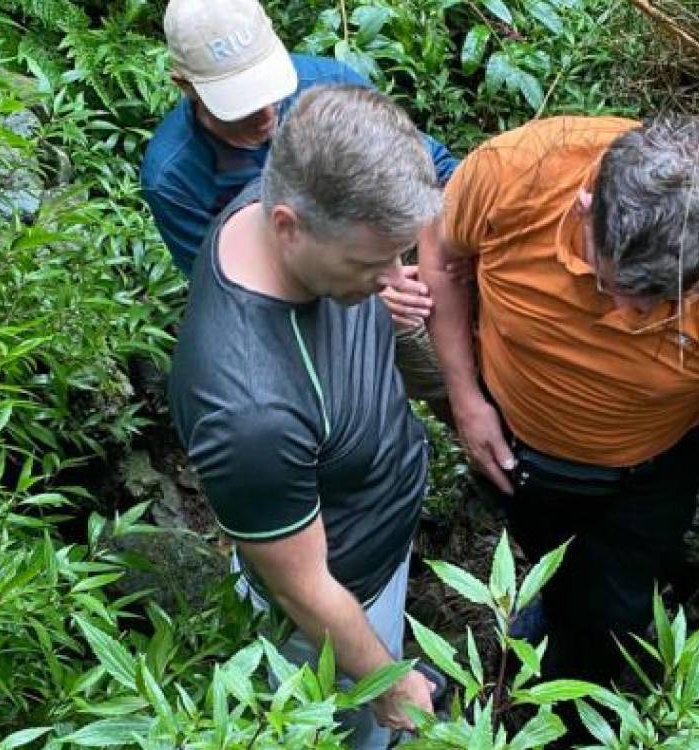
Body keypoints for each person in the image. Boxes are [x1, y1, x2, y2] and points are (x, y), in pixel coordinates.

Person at [421, 115, 699, 706]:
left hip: (647, 477)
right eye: (613, 285)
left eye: (664, 299)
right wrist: (465, 398)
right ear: (585, 207)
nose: (634, 314)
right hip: (513, 443)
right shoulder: (514, 173)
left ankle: (572, 682)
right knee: (545, 558)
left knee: (614, 610)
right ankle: (550, 620)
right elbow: (443, 257)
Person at [169, 85, 441, 749]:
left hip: (372, 542)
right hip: (334, 599)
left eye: (398, 253)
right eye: (370, 263)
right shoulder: (250, 414)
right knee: (358, 736)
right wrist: (389, 682)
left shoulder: (275, 198)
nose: (392, 278)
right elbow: (302, 588)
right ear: (288, 224)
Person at [143, 0, 455, 403]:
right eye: (241, 102)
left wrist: (433, 256)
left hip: (396, 239)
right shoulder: (174, 176)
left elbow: (439, 172)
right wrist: (373, 302)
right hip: (319, 291)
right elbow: (229, 287)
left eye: (269, 89)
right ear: (184, 85)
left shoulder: (327, 86)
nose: (266, 113)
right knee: (423, 374)